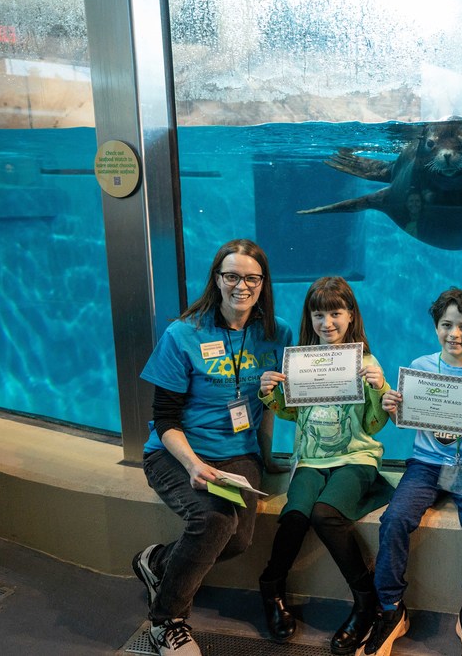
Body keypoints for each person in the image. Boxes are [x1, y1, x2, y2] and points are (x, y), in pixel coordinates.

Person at [131, 238, 294, 656]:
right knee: (216, 521)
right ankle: (167, 621)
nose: (242, 286)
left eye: (252, 278)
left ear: (264, 283)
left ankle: (158, 563)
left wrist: (268, 452)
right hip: (176, 452)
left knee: (238, 540)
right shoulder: (183, 334)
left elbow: (270, 405)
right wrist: (191, 464)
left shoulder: (277, 334)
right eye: (232, 276)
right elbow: (165, 418)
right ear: (217, 279)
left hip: (239, 455)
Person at [364, 288, 462, 656]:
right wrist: (393, 405)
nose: (454, 334)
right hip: (426, 464)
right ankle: (391, 609)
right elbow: (404, 420)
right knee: (394, 519)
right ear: (435, 327)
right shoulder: (421, 367)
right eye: (446, 325)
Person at [256, 276, 392, 654]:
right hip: (311, 460)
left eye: (335, 313)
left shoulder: (366, 361)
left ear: (351, 315)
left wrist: (379, 389)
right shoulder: (300, 359)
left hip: (356, 458)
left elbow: (374, 425)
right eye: (319, 314)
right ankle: (271, 586)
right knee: (296, 513)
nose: (327, 322)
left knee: (326, 514)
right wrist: (269, 394)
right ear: (309, 317)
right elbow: (293, 415)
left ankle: (366, 600)